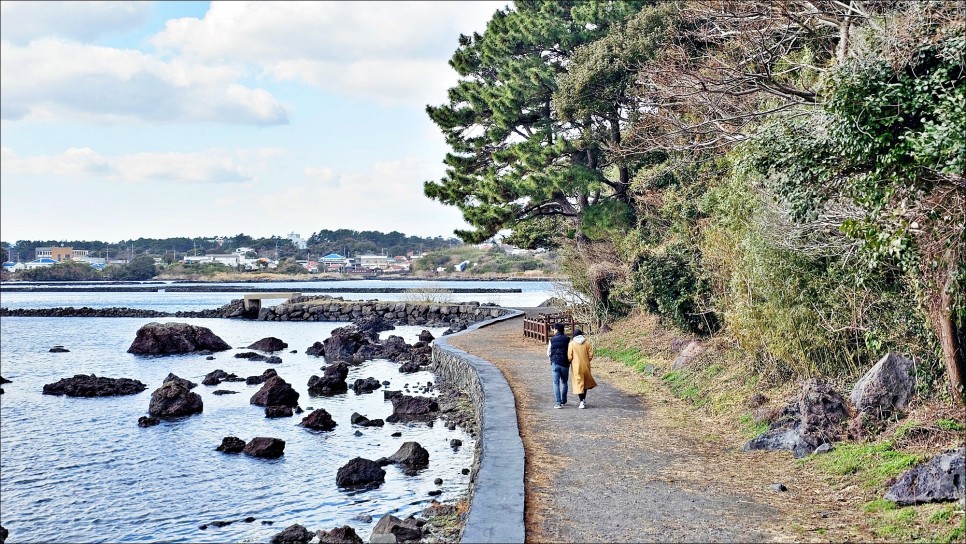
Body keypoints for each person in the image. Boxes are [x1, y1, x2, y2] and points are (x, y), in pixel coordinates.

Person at [567, 328, 596, 409]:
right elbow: (590, 355)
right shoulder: (587, 343)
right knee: (585, 382)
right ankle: (583, 399)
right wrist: (587, 359)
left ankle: (581, 401)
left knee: (579, 382)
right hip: (586, 365)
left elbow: (569, 356)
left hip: (576, 366)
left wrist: (570, 362)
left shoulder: (572, 344)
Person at [546, 323, 570, 408]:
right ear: (563, 330)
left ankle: (558, 403)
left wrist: (551, 358)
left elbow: (548, 352)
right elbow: (569, 352)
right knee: (564, 382)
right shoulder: (567, 339)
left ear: (556, 330)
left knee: (556, 383)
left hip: (555, 362)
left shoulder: (552, 340)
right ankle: (563, 400)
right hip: (565, 363)